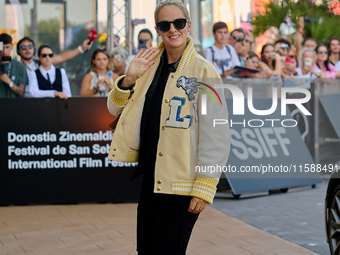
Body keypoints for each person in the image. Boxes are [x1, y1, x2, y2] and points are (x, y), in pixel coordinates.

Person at [106, 1, 230, 254]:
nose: (173, 29)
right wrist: (128, 79)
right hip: (152, 179)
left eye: (179, 23)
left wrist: (205, 186)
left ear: (189, 25)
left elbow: (215, 135)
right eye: (165, 25)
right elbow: (114, 110)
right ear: (157, 30)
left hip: (182, 184)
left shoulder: (204, 71)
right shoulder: (146, 66)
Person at [16, 36, 93, 97]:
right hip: (26, 102)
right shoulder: (16, 66)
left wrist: (81, 48)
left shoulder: (41, 62)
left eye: (30, 46)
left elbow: (62, 57)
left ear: (34, 49)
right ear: (18, 51)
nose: (27, 49)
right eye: (23, 47)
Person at [0, 33, 28, 98]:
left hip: (14, 106)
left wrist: (8, 81)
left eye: (7, 47)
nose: (4, 51)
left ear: (12, 47)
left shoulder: (20, 66)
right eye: (2, 47)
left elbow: (21, 93)